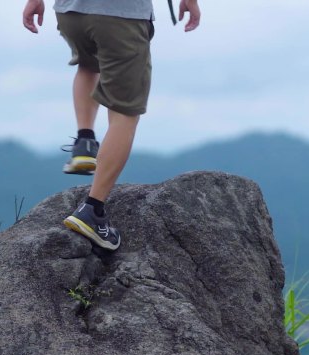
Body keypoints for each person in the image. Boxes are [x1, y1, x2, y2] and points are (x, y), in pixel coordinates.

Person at [22, 0, 201, 251]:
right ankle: (93, 210)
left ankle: (84, 140)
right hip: (121, 15)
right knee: (125, 112)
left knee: (88, 64)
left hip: (70, 13)